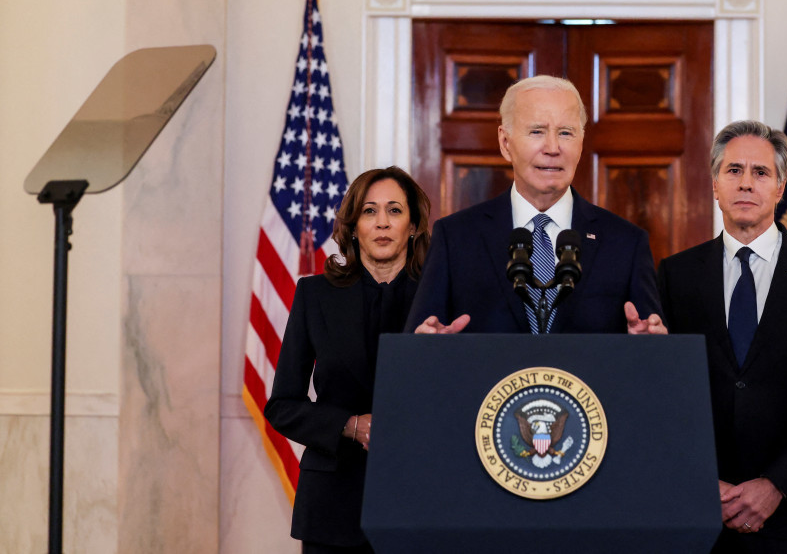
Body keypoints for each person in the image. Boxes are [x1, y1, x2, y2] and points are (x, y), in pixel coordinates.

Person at [658, 121, 787, 554]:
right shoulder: (676, 275)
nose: (746, 183)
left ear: (781, 186)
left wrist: (775, 485)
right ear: (714, 183)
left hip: (786, 517)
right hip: (696, 511)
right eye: (733, 171)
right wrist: (699, 480)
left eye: (760, 173)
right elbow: (665, 397)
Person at [406, 75, 665, 335]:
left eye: (566, 133)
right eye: (537, 132)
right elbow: (417, 348)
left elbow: (654, 355)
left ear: (581, 142)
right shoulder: (456, 237)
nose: (552, 148)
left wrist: (647, 347)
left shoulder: (626, 243)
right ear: (505, 143)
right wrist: (430, 347)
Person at [265, 166, 431, 554]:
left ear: (414, 225)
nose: (383, 223)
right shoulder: (314, 295)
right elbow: (282, 405)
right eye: (370, 211)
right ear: (353, 226)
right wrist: (350, 425)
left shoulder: (439, 298)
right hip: (333, 504)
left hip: (420, 497)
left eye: (395, 210)